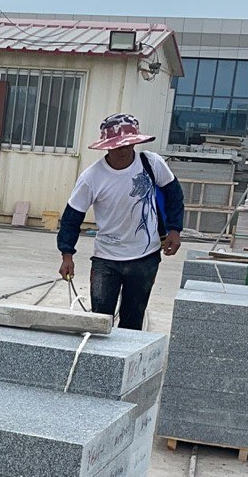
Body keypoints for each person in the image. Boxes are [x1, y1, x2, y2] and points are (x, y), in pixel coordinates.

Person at [57, 113, 184, 330]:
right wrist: (67, 255)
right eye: (117, 146)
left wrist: (175, 230)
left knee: (132, 322)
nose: (124, 150)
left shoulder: (152, 164)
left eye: (129, 144)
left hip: (145, 258)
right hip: (106, 259)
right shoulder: (92, 178)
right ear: (107, 146)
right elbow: (71, 219)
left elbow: (174, 196)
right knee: (100, 322)